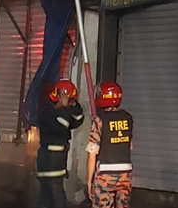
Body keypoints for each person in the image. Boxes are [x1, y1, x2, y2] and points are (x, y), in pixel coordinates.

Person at [35, 80, 83, 208]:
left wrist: (74, 104)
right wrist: (64, 106)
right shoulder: (47, 112)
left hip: (57, 159)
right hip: (49, 160)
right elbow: (62, 125)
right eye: (69, 100)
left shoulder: (62, 112)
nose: (70, 103)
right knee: (56, 195)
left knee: (47, 197)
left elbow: (78, 120)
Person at [86, 81, 131, 208]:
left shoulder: (99, 120)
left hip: (105, 174)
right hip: (125, 174)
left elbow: (92, 154)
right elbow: (130, 145)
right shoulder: (128, 118)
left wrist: (89, 181)